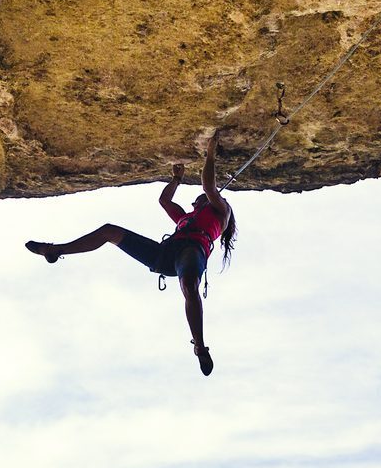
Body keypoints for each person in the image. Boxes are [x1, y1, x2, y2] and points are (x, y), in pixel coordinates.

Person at [25, 133, 236, 375]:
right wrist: (176, 180)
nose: (193, 203)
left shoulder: (222, 210)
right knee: (109, 231)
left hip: (192, 251)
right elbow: (164, 200)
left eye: (198, 200)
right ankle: (55, 250)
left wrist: (210, 153)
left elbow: (209, 187)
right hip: (167, 253)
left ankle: (199, 346)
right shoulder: (186, 218)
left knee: (189, 286)